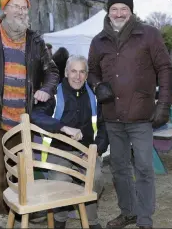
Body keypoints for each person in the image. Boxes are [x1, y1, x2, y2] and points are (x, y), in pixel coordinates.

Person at [0, 0, 59, 228]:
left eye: (24, 8)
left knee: (24, 168)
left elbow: (52, 71)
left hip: (26, 118)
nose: (21, 11)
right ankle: (2, 210)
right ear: (4, 10)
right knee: (1, 170)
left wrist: (47, 89)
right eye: (16, 6)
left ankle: (23, 209)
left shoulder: (35, 40)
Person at [87, 0, 172, 229]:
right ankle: (129, 212)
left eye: (124, 9)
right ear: (108, 11)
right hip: (112, 115)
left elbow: (165, 68)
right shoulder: (98, 40)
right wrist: (97, 85)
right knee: (119, 168)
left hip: (141, 115)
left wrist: (163, 104)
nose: (119, 13)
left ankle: (144, 218)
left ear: (131, 11)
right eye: (114, 8)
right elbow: (91, 70)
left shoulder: (149, 35)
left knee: (144, 167)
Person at [31, 55, 109, 229]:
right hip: (59, 151)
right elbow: (36, 115)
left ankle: (91, 221)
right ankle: (60, 218)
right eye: (73, 71)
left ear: (87, 75)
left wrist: (96, 150)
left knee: (95, 178)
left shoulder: (95, 96)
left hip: (87, 151)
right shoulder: (54, 94)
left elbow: (104, 127)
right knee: (60, 179)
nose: (77, 76)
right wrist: (63, 127)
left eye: (82, 72)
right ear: (66, 73)